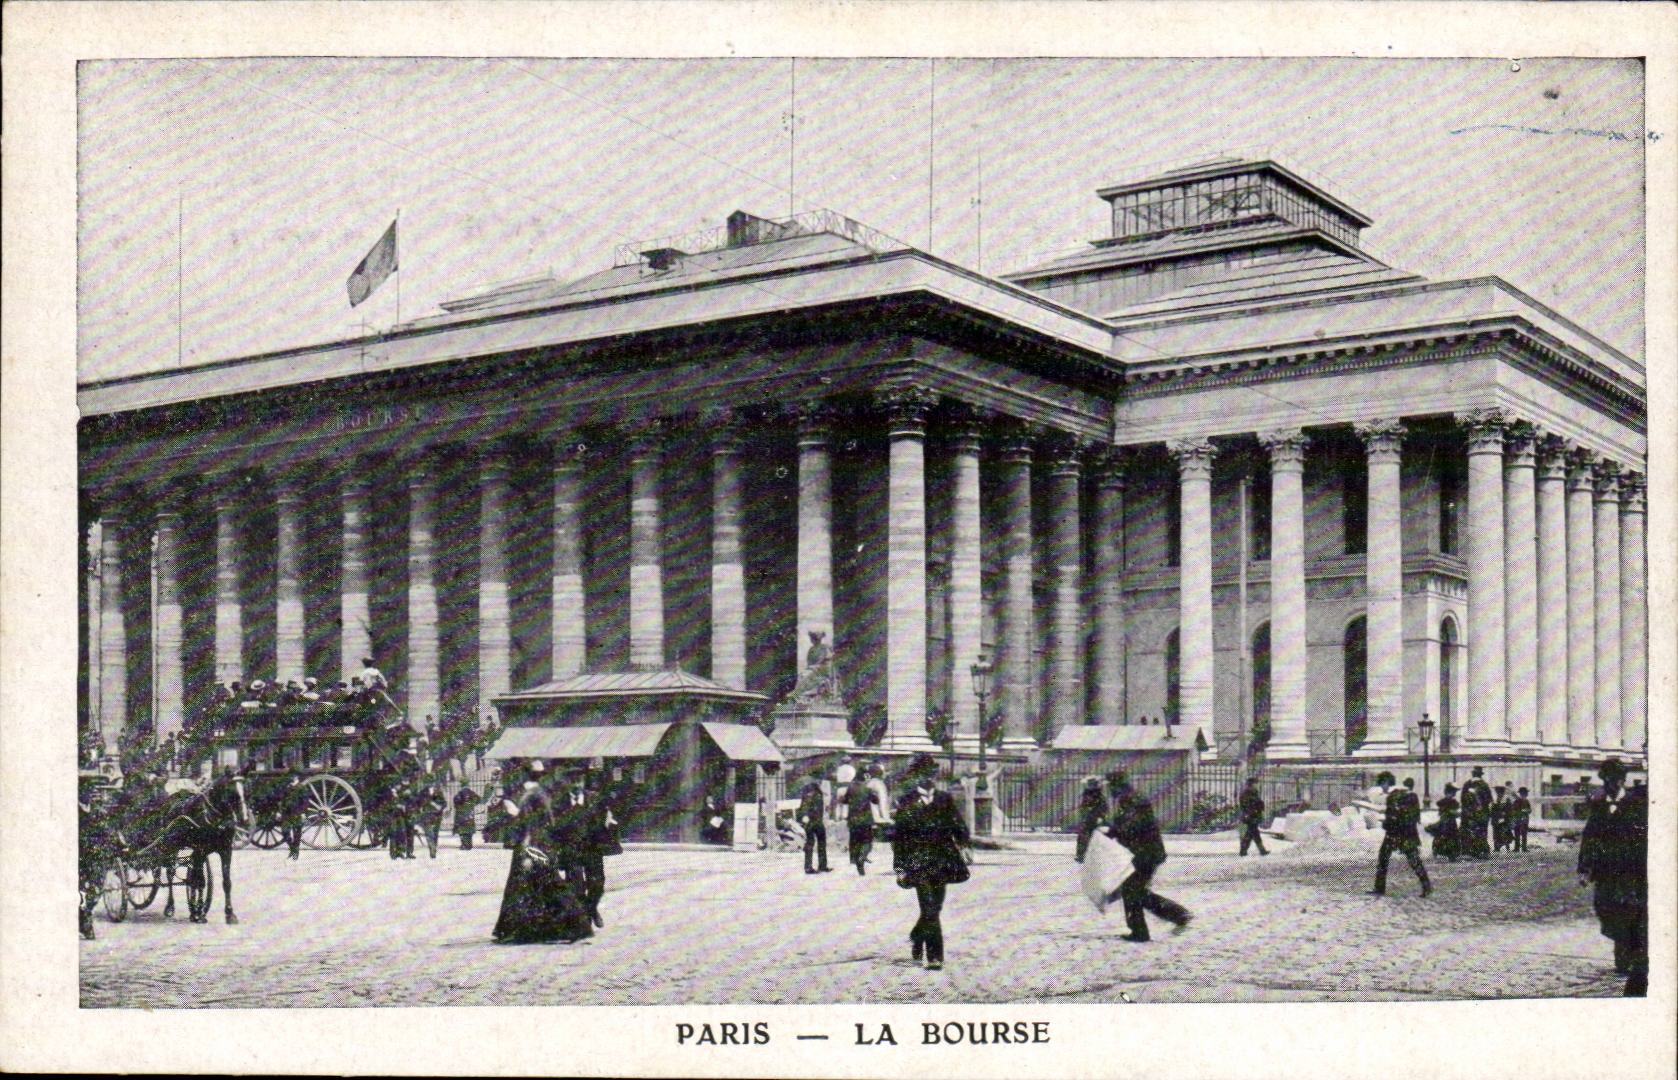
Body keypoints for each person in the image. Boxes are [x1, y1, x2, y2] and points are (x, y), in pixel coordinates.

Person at [492, 761, 592, 945]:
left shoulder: (530, 794)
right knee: (544, 884)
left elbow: (530, 823)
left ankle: (572, 925)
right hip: (541, 843)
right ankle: (571, 925)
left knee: (532, 885)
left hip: (531, 844)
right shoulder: (544, 793)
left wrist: (525, 843)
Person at [891, 754, 970, 970]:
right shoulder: (906, 801)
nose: (928, 778)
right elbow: (899, 837)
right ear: (916, 776)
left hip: (942, 859)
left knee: (936, 906)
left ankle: (917, 935)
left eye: (931, 774)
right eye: (923, 774)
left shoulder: (944, 799)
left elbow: (958, 825)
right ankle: (935, 956)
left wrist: (964, 845)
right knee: (929, 906)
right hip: (918, 861)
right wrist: (899, 866)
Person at [1577, 758, 1647, 995]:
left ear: (1621, 780)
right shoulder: (1598, 805)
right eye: (1605, 781)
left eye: (1613, 781)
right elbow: (1590, 837)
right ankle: (1623, 949)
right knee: (1606, 908)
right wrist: (1585, 868)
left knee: (1629, 909)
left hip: (1631, 869)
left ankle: (1626, 956)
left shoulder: (1637, 803)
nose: (1609, 785)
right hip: (1605, 871)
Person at [1101, 771, 1191, 941]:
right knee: (1135, 891)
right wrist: (1111, 832)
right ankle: (1170, 917)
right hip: (1147, 851)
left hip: (1146, 852)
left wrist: (1115, 833)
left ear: (1114, 785)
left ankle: (1170, 918)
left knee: (1132, 891)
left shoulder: (1129, 799)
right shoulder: (1131, 798)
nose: (1108, 790)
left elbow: (1133, 825)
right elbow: (1126, 824)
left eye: (1109, 785)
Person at [548, 766, 609, 929]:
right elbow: (554, 829)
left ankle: (592, 909)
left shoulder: (595, 799)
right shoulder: (559, 803)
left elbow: (603, 821)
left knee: (597, 885)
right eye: (572, 781)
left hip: (592, 848)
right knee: (576, 886)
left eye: (579, 781)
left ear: (583, 782)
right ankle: (584, 920)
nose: (576, 785)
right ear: (567, 783)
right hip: (570, 850)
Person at [1372, 777, 1431, 897]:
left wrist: (1386, 823)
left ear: (1388, 783)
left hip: (1394, 833)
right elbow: (1414, 816)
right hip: (1407, 833)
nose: (1382, 788)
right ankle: (1426, 885)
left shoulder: (1393, 796)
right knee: (1414, 860)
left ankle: (1379, 888)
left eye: (1383, 784)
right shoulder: (1411, 796)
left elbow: (1392, 816)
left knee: (1384, 858)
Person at [797, 780, 832, 874]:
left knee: (821, 842)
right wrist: (805, 816)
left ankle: (822, 866)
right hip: (810, 821)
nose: (821, 781)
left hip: (817, 820)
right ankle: (808, 867)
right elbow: (805, 803)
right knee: (810, 842)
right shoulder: (810, 789)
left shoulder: (817, 789)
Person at [1459, 766, 1493, 860]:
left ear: (1473, 774)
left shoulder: (1467, 784)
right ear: (1481, 775)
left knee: (1469, 831)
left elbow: (1462, 800)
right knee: (1481, 831)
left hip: (1468, 813)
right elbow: (1489, 799)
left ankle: (1468, 850)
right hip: (1481, 813)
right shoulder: (1484, 785)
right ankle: (1481, 850)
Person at [845, 772, 875, 874]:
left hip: (853, 820)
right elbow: (876, 800)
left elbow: (844, 801)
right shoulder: (868, 789)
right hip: (865, 820)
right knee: (867, 841)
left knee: (854, 840)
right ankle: (862, 857)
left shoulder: (850, 788)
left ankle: (855, 859)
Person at [1074, 777, 1108, 863]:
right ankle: (1081, 855)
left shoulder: (1097, 795)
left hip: (1094, 819)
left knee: (1093, 837)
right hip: (1089, 819)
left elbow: (1103, 807)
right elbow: (1084, 806)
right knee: (1084, 836)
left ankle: (1084, 855)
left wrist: (1100, 817)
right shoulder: (1089, 794)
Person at [281, 766, 308, 860]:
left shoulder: (301, 788)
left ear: (297, 777)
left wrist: (303, 812)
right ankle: (293, 849)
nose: (292, 777)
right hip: (287, 813)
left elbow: (305, 802)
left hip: (297, 813)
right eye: (291, 775)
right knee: (285, 832)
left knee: (297, 834)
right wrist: (280, 812)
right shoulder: (287, 788)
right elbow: (282, 801)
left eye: (293, 776)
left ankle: (295, 852)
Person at [1237, 777, 1268, 857]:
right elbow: (1247, 805)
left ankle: (1260, 850)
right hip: (1251, 816)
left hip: (1253, 815)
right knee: (1252, 833)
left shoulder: (1252, 792)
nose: (1257, 785)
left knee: (1252, 833)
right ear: (1252, 784)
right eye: (1256, 783)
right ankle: (1260, 850)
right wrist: (1255, 808)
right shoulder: (1247, 792)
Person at [1430, 783, 1462, 862]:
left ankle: (1438, 852)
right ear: (1450, 792)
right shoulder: (1452, 802)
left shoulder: (1443, 802)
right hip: (1449, 822)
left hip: (1445, 821)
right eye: (1454, 792)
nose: (1454, 794)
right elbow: (1451, 812)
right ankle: (1451, 854)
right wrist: (1458, 814)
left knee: (1442, 836)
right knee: (1451, 837)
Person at [418, 782, 448, 858]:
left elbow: (444, 803)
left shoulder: (438, 792)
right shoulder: (424, 793)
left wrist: (440, 806)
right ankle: (432, 847)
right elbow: (419, 803)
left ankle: (433, 846)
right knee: (430, 832)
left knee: (433, 833)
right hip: (428, 815)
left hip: (435, 815)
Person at [453, 782, 482, 850]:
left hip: (461, 814)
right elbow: (479, 799)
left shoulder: (460, 793)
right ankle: (469, 844)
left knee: (463, 831)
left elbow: (456, 802)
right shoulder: (472, 793)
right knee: (469, 831)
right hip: (470, 814)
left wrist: (460, 807)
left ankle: (464, 845)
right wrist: (471, 805)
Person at [1490, 784, 1513, 853]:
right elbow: (1492, 810)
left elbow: (1509, 809)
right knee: (1496, 833)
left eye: (1500, 791)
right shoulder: (1494, 800)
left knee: (1505, 833)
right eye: (1497, 791)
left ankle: (1507, 846)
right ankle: (1496, 847)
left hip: (1504, 819)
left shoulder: (1506, 799)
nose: (1498, 792)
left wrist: (1505, 814)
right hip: (1496, 819)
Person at [1511, 786, 1533, 852]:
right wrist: (1520, 812)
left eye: (1526, 793)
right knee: (1517, 834)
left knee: (1524, 834)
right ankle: (1517, 848)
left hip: (1525, 819)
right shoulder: (1517, 801)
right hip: (1518, 819)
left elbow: (1529, 810)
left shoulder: (1526, 801)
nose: (1526, 794)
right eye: (1524, 793)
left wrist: (1526, 811)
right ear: (1521, 793)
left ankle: (1524, 847)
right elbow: (1513, 810)